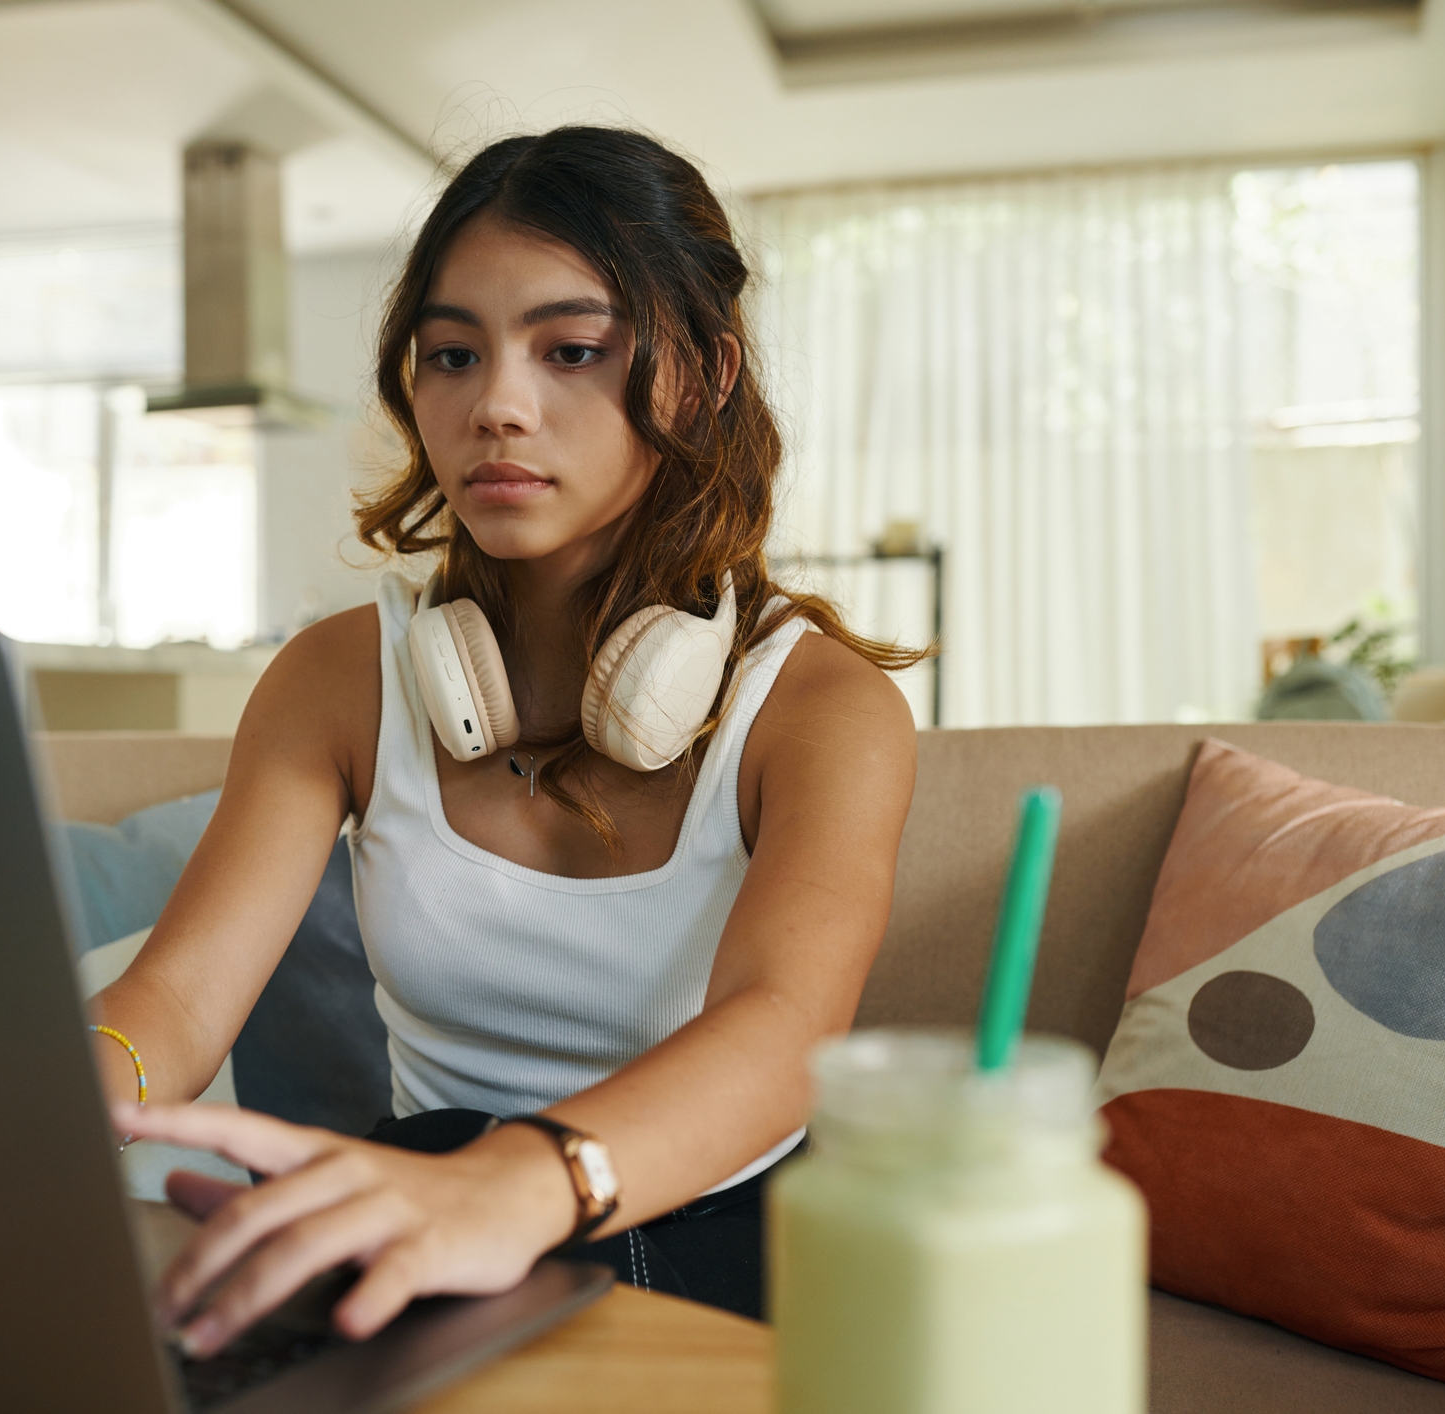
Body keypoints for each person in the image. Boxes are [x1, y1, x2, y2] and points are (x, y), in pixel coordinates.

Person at [92, 125, 919, 1356]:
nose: (498, 406)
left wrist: (521, 1188)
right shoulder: (335, 678)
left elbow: (783, 1029)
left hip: (702, 1228)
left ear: (704, 375)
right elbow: (179, 994)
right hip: (431, 1196)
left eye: (572, 349)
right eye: (452, 355)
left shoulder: (821, 710)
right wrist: (71, 1093)